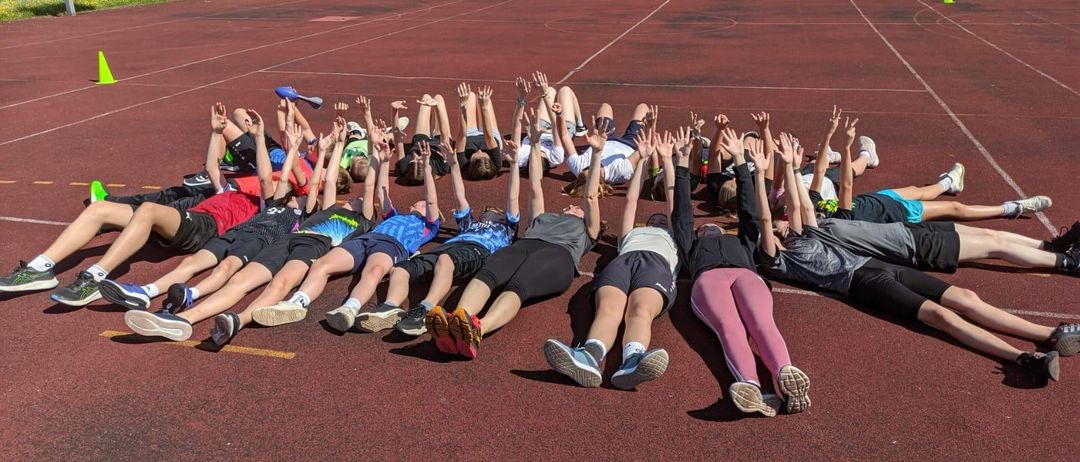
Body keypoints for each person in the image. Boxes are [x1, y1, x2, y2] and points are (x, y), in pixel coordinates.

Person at [759, 131, 1079, 382]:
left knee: (966, 297)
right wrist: (762, 188)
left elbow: (799, 205)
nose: (783, 223)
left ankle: (1051, 334)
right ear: (769, 236)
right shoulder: (780, 260)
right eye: (776, 225)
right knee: (942, 317)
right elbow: (764, 218)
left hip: (880, 266)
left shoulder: (813, 229)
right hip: (862, 283)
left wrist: (789, 164)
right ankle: (1022, 358)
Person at [122, 118, 382, 344]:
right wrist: (282, 145)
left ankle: (200, 316)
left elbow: (336, 184)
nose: (358, 199)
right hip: (274, 243)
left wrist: (343, 151)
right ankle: (178, 318)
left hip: (297, 246)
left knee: (257, 281)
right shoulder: (280, 202)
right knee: (235, 281)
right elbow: (269, 178)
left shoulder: (320, 213)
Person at [0, 103, 270, 306]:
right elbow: (212, 166)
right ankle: (40, 268)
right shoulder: (229, 186)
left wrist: (259, 140)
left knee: (148, 209)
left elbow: (267, 176)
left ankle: (95, 277)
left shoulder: (263, 196)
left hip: (205, 228)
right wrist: (216, 132)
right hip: (182, 219)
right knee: (99, 209)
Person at [425, 116, 604, 360]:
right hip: (525, 245)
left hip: (558, 255)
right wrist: (537, 144)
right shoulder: (543, 218)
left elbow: (591, 197)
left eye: (578, 207)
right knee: (488, 273)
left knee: (518, 285)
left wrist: (596, 154)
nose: (574, 205)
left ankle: (478, 330)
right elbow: (535, 187)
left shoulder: (587, 231)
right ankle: (458, 320)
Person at [99, 118, 320, 311]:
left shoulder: (300, 215)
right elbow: (221, 171)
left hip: (253, 241)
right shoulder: (270, 200)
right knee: (190, 263)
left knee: (225, 270)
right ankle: (145, 292)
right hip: (231, 233)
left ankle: (190, 296)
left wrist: (290, 149)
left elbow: (292, 182)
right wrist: (219, 133)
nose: (276, 182)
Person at [257, 137, 442, 333]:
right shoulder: (393, 216)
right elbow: (381, 193)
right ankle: (297, 302)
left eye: (422, 204)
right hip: (364, 240)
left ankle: (349, 309)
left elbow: (431, 202)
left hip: (392, 244)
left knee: (374, 271)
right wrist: (384, 161)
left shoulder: (429, 225)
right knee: (322, 264)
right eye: (419, 202)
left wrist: (427, 168)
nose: (419, 203)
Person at [543, 127, 680, 390]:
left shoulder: (673, 235)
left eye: (662, 219)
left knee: (640, 311)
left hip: (656, 264)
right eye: (654, 219)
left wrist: (665, 162)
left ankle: (633, 360)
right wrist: (640, 158)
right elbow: (630, 200)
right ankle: (588, 356)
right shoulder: (630, 234)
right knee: (608, 310)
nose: (658, 219)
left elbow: (673, 204)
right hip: (623, 261)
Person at [694, 127, 812, 415]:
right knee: (729, 327)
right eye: (702, 228)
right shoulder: (691, 245)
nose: (708, 227)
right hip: (708, 278)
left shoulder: (742, 238)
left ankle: (784, 374)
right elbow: (682, 214)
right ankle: (751, 386)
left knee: (761, 322)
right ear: (696, 234)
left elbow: (752, 212)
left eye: (711, 225)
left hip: (746, 273)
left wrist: (741, 161)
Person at [368, 139, 520, 335]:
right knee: (400, 269)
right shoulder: (469, 224)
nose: (486, 212)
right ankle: (390, 307)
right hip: (449, 247)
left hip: (477, 249)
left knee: (446, 260)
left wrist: (514, 165)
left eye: (492, 210)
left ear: (501, 215)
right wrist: (454, 165)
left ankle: (426, 308)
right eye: (484, 211)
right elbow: (459, 196)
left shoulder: (507, 228)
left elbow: (513, 197)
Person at [809, 110, 1050, 225]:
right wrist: (848, 146)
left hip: (878, 198)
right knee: (954, 209)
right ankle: (1012, 208)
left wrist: (829, 133)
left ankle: (948, 182)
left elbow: (819, 172)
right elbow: (846, 185)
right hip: (898, 214)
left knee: (919, 189)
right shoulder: (838, 219)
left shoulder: (812, 202)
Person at [563, 100, 653, 194]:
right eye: (592, 170)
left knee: (605, 106)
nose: (589, 166)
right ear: (601, 176)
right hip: (629, 144)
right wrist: (650, 128)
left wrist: (559, 115)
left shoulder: (578, 167)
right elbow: (643, 149)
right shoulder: (620, 171)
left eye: (586, 168)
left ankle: (580, 126)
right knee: (643, 107)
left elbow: (564, 137)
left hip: (603, 140)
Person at [454, 83, 503, 181]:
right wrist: (483, 107)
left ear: (470, 163)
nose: (479, 150)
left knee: (470, 95)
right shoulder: (496, 163)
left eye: (476, 154)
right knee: (483, 98)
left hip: (468, 134)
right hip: (490, 135)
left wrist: (463, 106)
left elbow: (462, 135)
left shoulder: (463, 165)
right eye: (484, 153)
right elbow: (489, 135)